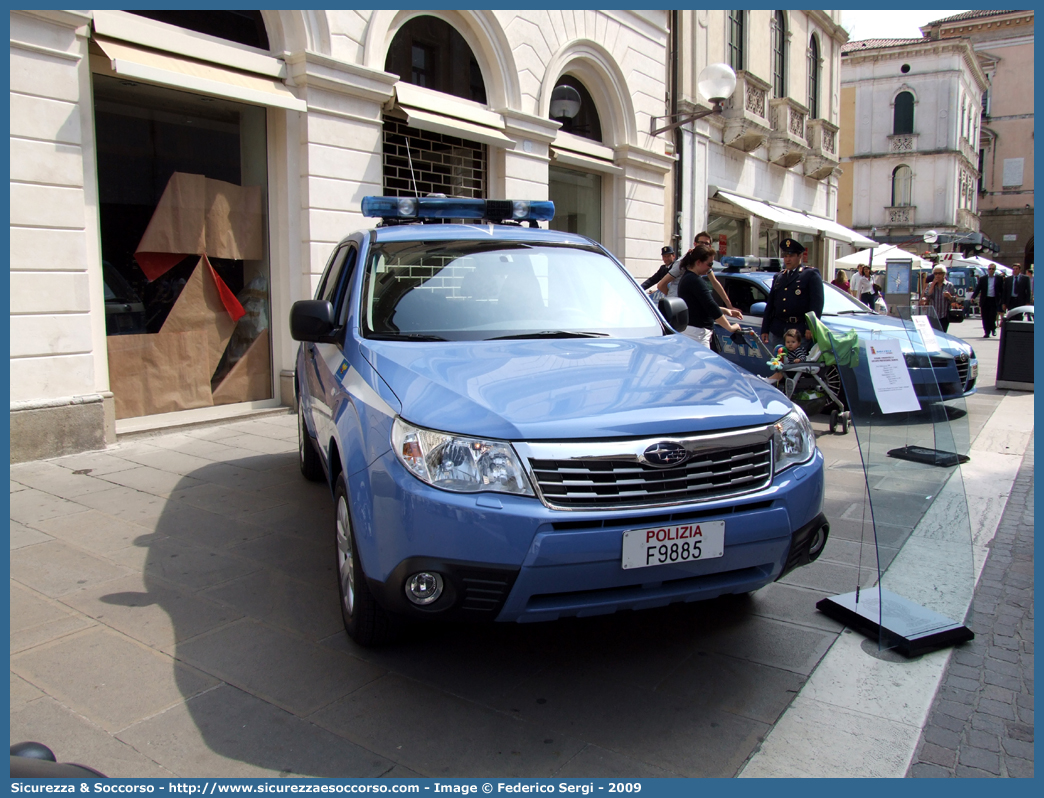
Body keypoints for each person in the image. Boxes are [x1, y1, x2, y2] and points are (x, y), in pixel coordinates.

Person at [656, 231, 740, 317]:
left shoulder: (704, 262)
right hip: (677, 309)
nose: (703, 245)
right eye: (701, 242)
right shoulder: (683, 261)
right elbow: (661, 285)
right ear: (695, 244)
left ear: (710, 246)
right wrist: (674, 297)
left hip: (690, 308)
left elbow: (715, 283)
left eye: (706, 243)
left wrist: (730, 306)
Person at [760, 238, 824, 348]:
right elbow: (770, 305)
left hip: (799, 331)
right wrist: (765, 328)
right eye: (785, 256)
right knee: (778, 363)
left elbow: (816, 304)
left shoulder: (809, 275)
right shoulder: (779, 277)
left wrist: (811, 327)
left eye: (791, 256)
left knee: (796, 363)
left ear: (800, 256)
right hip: (779, 329)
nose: (787, 259)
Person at [675, 244, 742, 347]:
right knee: (703, 362)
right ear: (698, 262)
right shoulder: (695, 280)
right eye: (709, 264)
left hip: (693, 332)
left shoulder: (688, 278)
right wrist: (730, 327)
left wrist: (725, 310)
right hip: (697, 334)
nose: (710, 268)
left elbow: (698, 305)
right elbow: (710, 305)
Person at [971, 263, 1004, 337]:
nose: (991, 270)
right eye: (990, 269)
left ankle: (993, 329)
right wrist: (973, 297)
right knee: (985, 317)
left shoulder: (999, 278)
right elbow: (978, 288)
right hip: (985, 300)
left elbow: (1002, 290)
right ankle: (987, 332)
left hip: (994, 300)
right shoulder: (983, 278)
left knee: (992, 316)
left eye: (993, 269)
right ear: (988, 269)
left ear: (995, 270)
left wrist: (1002, 300)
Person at [922, 264, 956, 332]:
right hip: (932, 315)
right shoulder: (930, 284)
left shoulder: (949, 285)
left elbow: (954, 300)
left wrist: (949, 296)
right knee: (934, 333)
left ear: (944, 274)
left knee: (943, 333)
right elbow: (927, 295)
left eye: (940, 273)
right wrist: (933, 285)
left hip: (944, 315)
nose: (937, 275)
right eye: (935, 273)